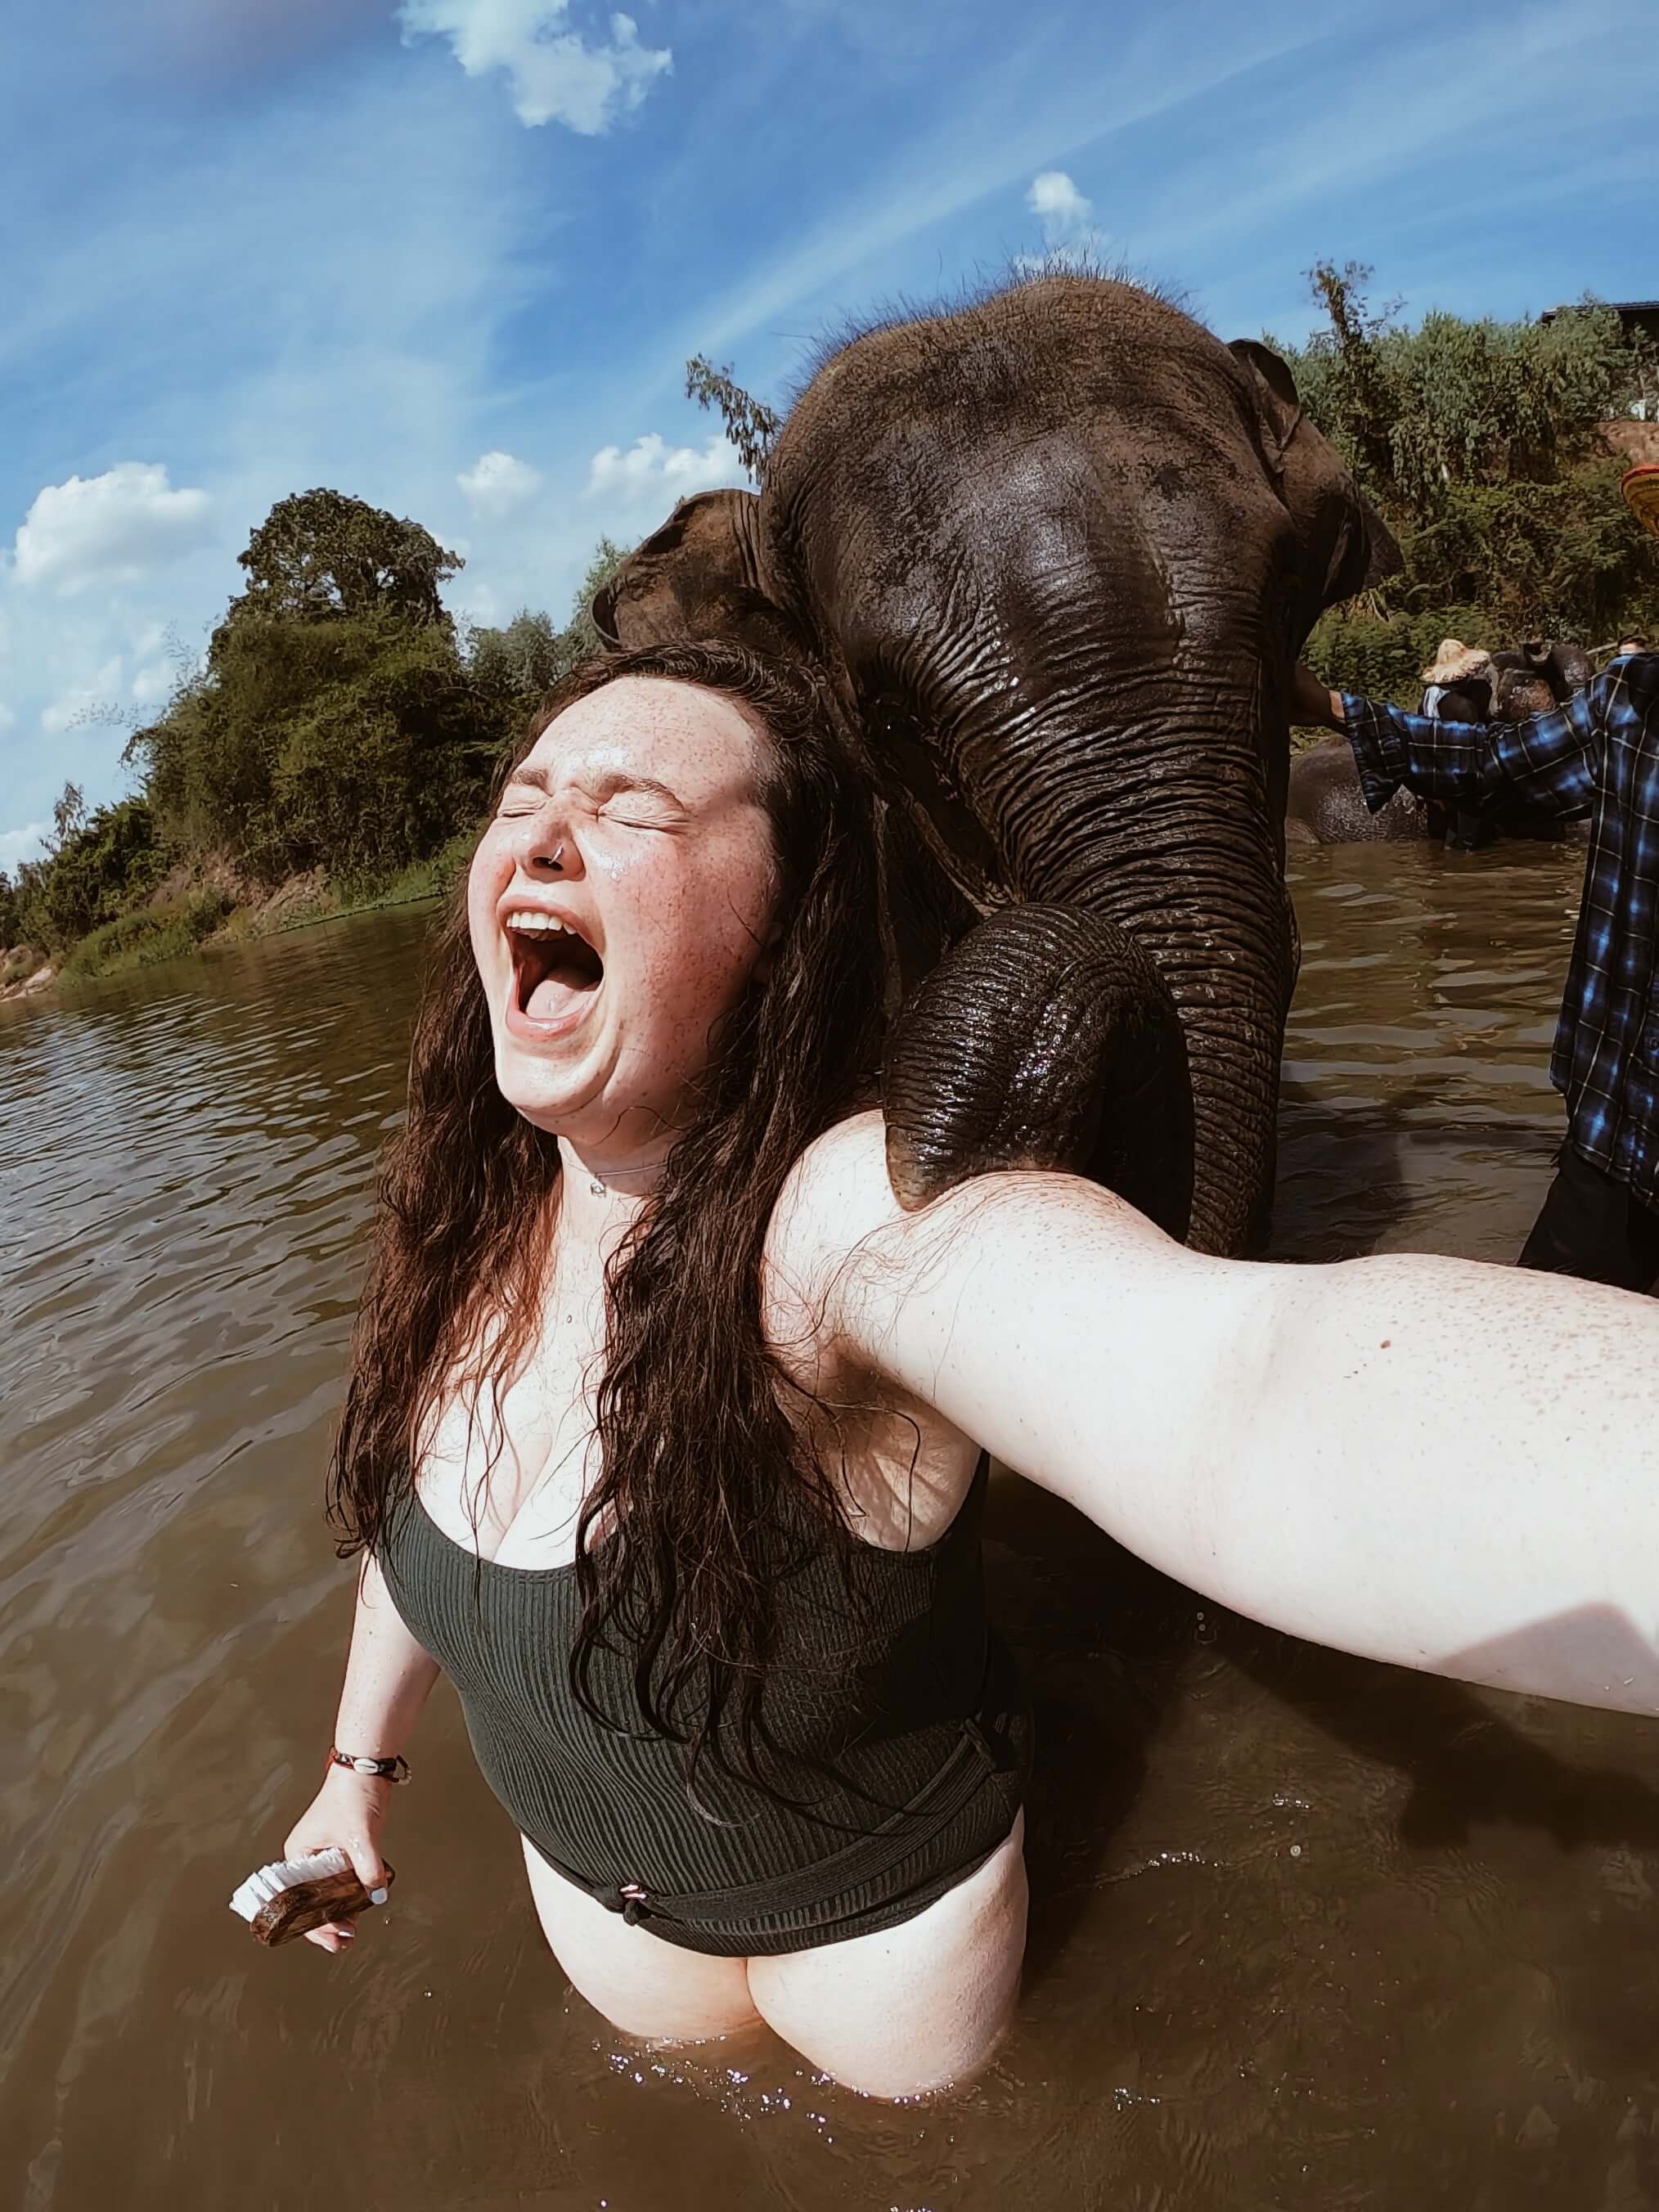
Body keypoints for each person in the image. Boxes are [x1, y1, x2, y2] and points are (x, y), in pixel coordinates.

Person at [283, 638, 1659, 2102]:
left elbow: (1253, 1390)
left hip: (879, 1964)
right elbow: (410, 1519)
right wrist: (356, 1770)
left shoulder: (833, 1234)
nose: (547, 831)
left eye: (637, 808)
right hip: (614, 1932)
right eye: (524, 794)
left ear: (785, 921)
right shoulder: (459, 1207)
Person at [1292, 646, 1659, 1290]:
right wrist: (1331, 708)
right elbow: (1491, 763)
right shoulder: (1636, 697)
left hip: (1625, 1104)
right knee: (1542, 1340)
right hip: (1625, 1112)